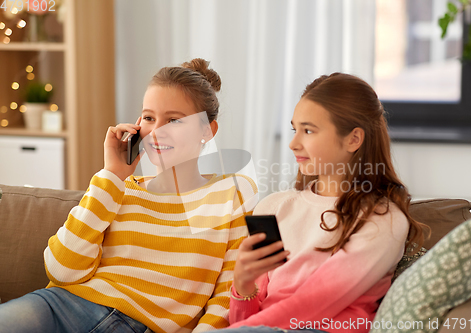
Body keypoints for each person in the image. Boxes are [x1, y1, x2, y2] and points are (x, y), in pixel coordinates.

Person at [0, 58, 258, 333]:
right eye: (149, 118)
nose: (156, 131)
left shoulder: (232, 193)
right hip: (62, 307)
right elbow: (62, 270)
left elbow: (226, 295)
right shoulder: (116, 187)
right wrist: (111, 174)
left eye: (174, 120)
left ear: (207, 130)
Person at [215, 73, 427, 333]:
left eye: (308, 130)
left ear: (353, 139)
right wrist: (243, 285)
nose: (293, 143)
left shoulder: (382, 219)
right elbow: (241, 322)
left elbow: (310, 306)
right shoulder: (273, 207)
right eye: (295, 129)